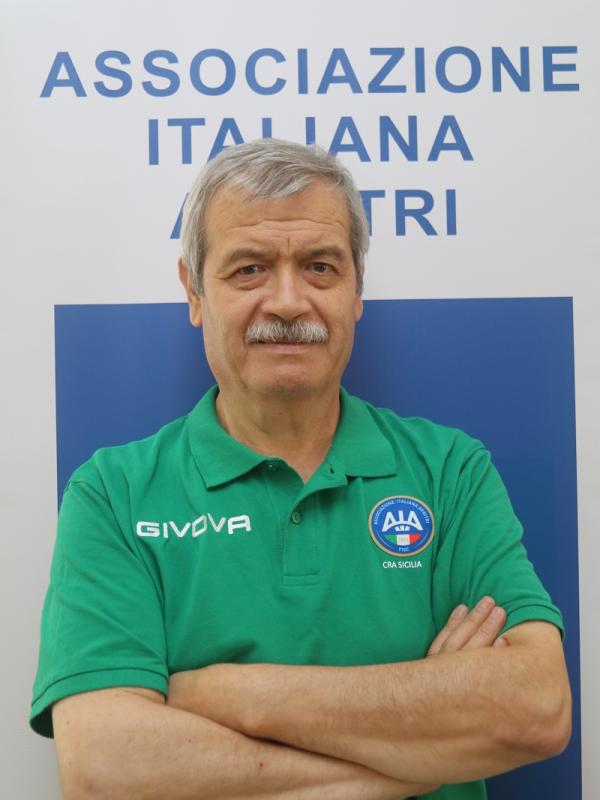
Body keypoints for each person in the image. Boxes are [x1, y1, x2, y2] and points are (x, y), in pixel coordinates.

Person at [31, 139, 571, 800]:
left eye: (319, 267)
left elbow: (536, 707)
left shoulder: (450, 471)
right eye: (249, 269)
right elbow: (104, 769)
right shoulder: (114, 494)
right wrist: (419, 751)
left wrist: (237, 695)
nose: (287, 302)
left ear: (356, 289)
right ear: (194, 291)